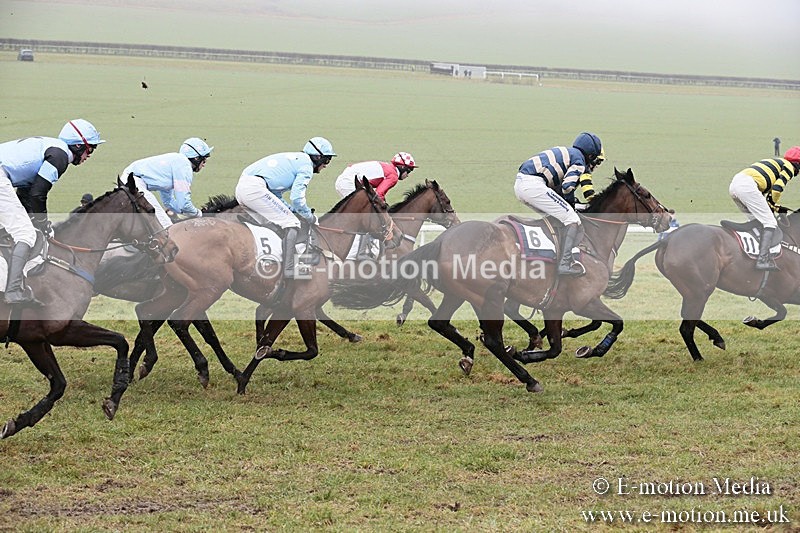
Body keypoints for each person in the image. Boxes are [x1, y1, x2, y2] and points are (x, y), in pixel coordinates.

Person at [0, 119, 105, 305]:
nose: (89, 155)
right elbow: (38, 195)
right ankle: (13, 291)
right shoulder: (60, 156)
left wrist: (36, 219)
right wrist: (42, 224)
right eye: (91, 149)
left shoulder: (52, 148)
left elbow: (26, 194)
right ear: (79, 146)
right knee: (25, 234)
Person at [235, 137, 336, 279]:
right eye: (326, 160)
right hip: (255, 189)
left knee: (273, 224)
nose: (326, 165)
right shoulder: (306, 166)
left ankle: (268, 259)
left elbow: (275, 196)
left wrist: (291, 210)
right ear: (318, 157)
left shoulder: (297, 160)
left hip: (244, 188)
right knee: (292, 223)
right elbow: (297, 199)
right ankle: (289, 269)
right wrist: (309, 216)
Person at [514, 132, 603, 276]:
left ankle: (551, 256)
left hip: (522, 184)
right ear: (591, 156)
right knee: (571, 219)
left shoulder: (569, 153)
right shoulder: (579, 160)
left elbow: (560, 191)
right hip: (533, 185)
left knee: (557, 218)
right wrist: (571, 207)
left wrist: (570, 204)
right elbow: (567, 187)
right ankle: (564, 263)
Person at [334, 152, 417, 260]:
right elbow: (379, 194)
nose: (408, 175)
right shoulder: (393, 176)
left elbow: (377, 196)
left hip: (346, 180)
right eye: (409, 170)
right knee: (367, 217)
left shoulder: (388, 168)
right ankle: (356, 255)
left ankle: (362, 250)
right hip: (349, 182)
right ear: (402, 167)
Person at [729, 146, 800, 271]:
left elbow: (767, 201)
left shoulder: (777, 162)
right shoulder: (789, 166)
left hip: (736, 185)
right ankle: (762, 260)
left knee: (758, 221)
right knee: (770, 222)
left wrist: (776, 207)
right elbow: (777, 189)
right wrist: (773, 202)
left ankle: (753, 250)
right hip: (747, 187)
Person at [120, 138, 212, 228]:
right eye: (204, 160)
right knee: (166, 227)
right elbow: (184, 203)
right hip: (134, 183)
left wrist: (190, 212)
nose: (204, 164)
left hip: (130, 180)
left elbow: (169, 202)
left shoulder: (175, 165)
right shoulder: (184, 166)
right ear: (196, 158)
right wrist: (198, 213)